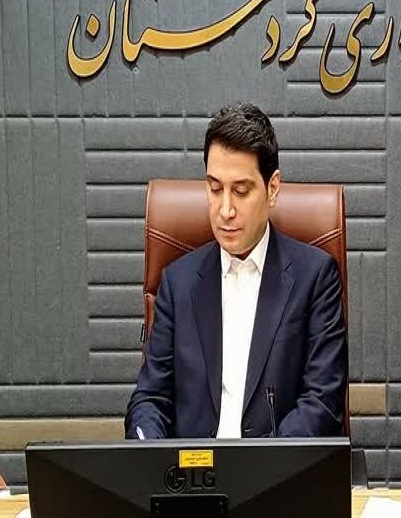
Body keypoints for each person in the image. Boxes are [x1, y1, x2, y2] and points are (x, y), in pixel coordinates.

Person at [125, 102, 347, 439]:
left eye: (241, 191)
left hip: (278, 468)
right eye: (215, 189)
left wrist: (255, 465)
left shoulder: (315, 278)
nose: (225, 210)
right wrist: (151, 453)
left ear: (272, 189)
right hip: (190, 470)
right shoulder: (177, 283)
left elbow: (321, 403)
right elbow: (150, 399)